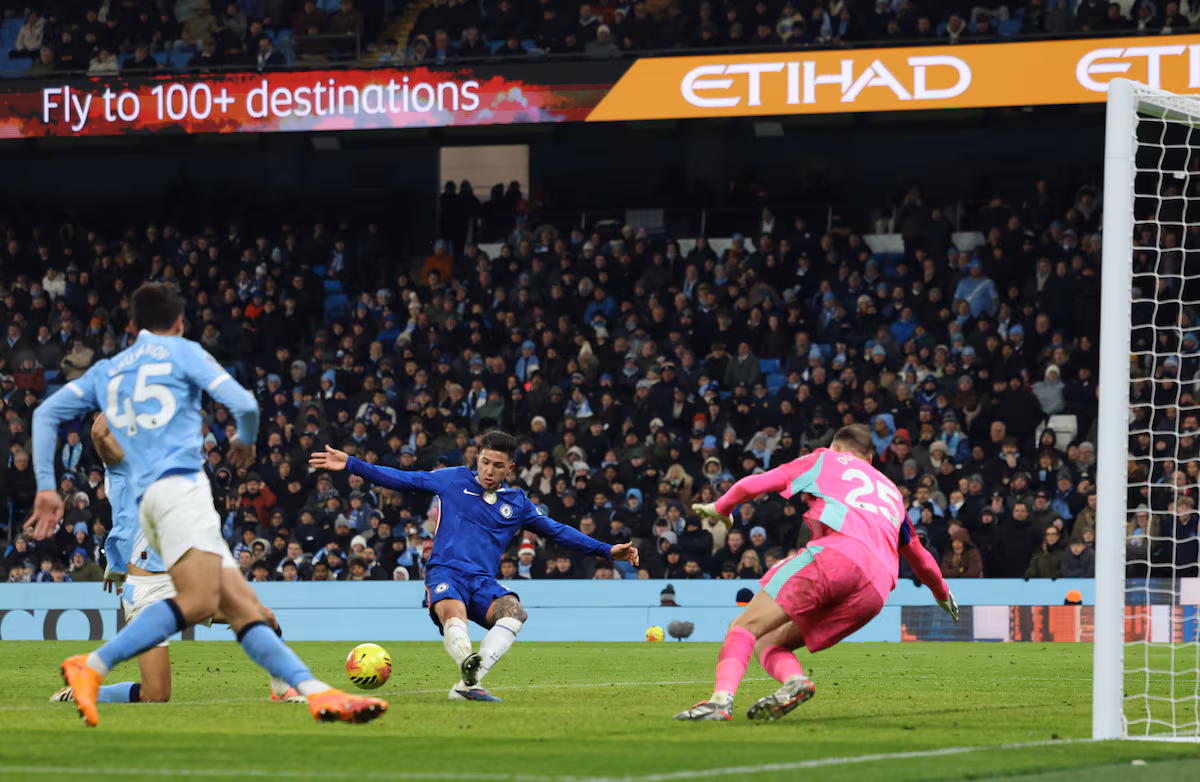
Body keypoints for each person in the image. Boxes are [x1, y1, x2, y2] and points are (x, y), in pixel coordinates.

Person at [28, 282, 386, 728]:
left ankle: (312, 691)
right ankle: (94, 665)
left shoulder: (110, 369)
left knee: (247, 609)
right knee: (202, 602)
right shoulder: (183, 352)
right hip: (178, 496)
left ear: (134, 325)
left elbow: (44, 415)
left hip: (164, 507)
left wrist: (47, 487)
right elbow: (246, 405)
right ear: (179, 324)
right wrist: (246, 442)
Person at [309, 429, 639, 701]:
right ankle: (467, 666)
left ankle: (468, 684)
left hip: (482, 581)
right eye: (484, 462)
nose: (489, 470)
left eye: (498, 465)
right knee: (455, 614)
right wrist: (352, 463)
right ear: (476, 458)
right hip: (445, 571)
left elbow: (558, 532)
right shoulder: (451, 480)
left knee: (515, 612)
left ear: (510, 468)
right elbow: (401, 479)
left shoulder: (518, 503)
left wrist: (608, 550)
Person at [676, 423, 957, 721]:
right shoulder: (893, 494)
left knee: (743, 626)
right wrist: (942, 593)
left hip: (837, 556)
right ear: (870, 460)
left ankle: (720, 701)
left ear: (837, 446)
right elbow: (919, 556)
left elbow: (757, 484)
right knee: (768, 641)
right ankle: (794, 682)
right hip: (875, 591)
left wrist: (721, 507)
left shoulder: (826, 458)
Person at [49, 414, 305, 706]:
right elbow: (99, 431)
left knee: (264, 617)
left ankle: (282, 690)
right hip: (148, 591)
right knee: (156, 695)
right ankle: (85, 691)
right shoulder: (128, 467)